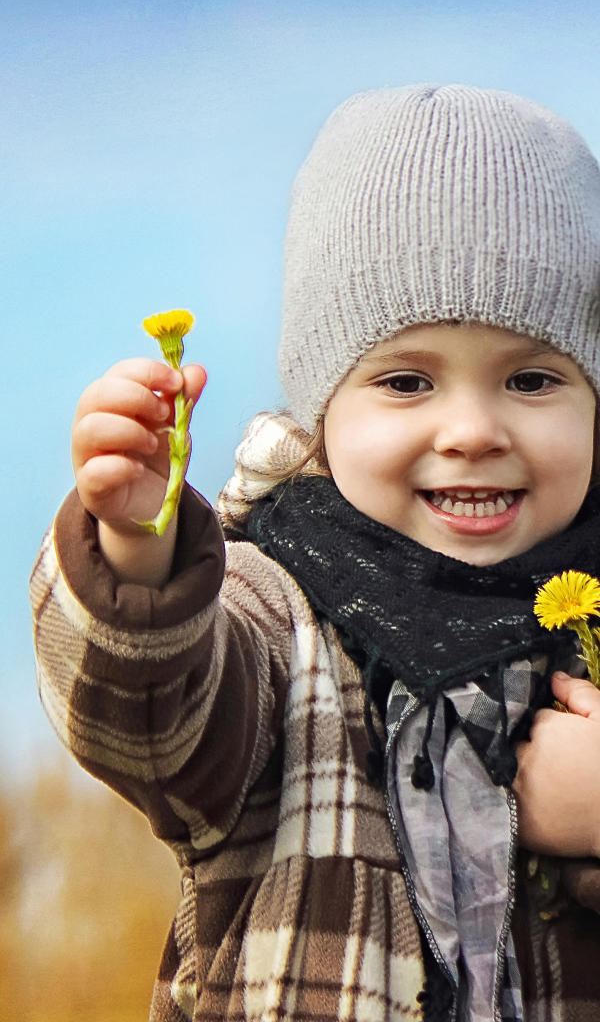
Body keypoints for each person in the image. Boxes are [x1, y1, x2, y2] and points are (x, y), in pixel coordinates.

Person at [30, 85, 600, 1022]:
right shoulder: (272, 609)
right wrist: (141, 547)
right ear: (324, 414)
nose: (471, 429)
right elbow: (149, 720)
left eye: (533, 379)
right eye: (407, 381)